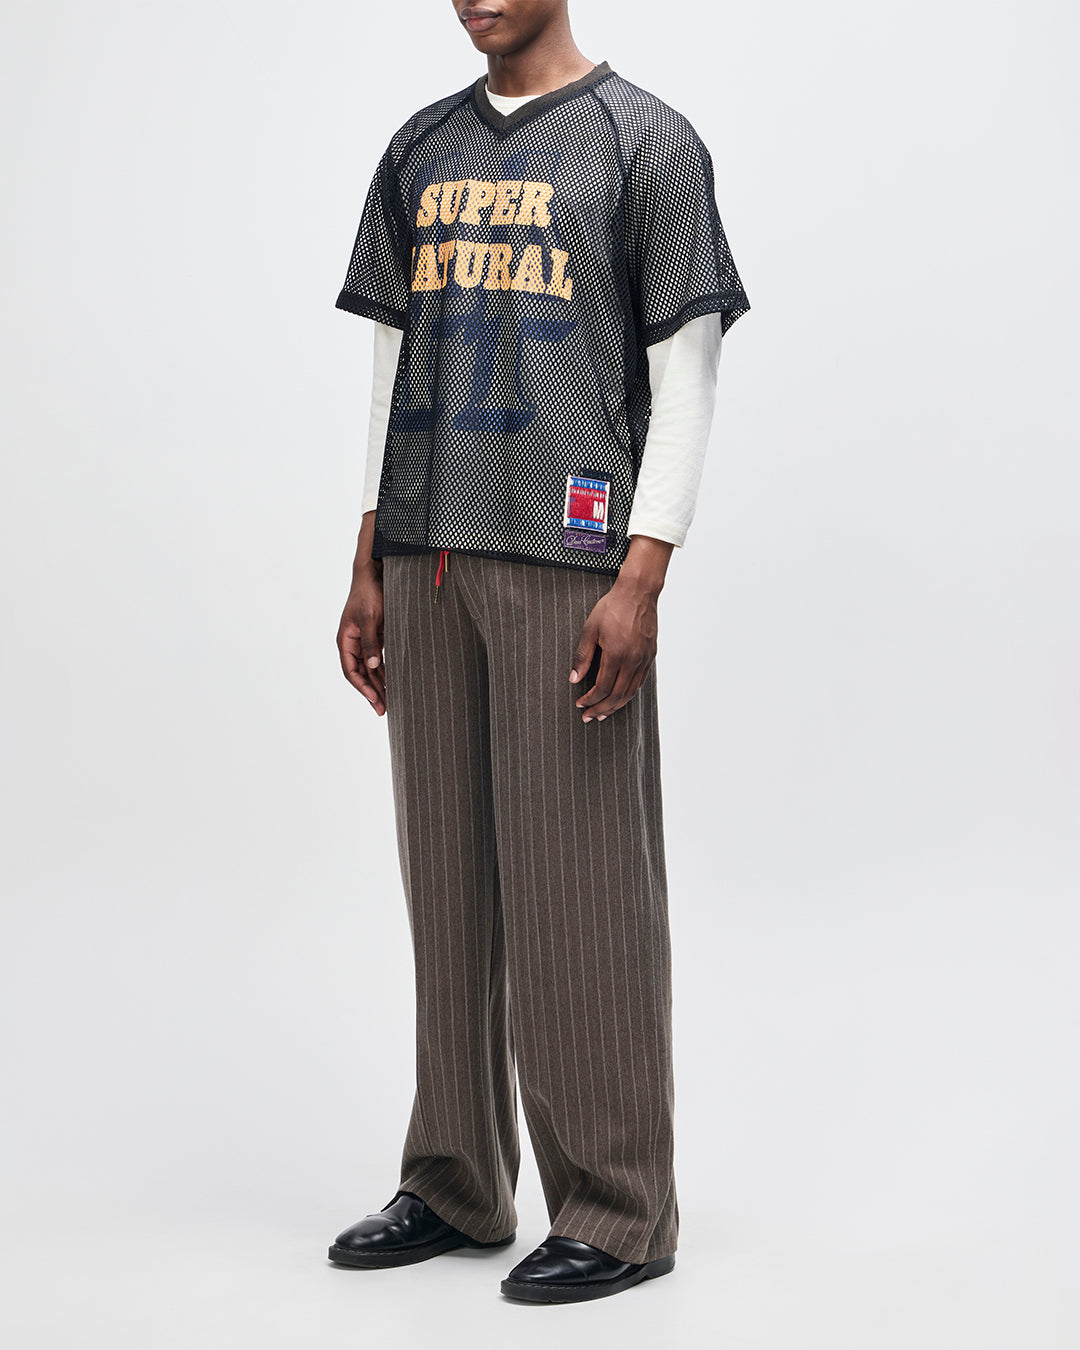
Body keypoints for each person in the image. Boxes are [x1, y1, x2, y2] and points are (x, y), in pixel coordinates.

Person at [328, 0, 749, 1304]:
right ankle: (456, 1179)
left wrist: (644, 570)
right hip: (426, 550)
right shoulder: (420, 147)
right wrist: (367, 555)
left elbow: (686, 373)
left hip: (569, 556)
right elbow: (391, 365)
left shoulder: (646, 141)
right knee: (447, 878)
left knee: (582, 890)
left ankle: (619, 1209)